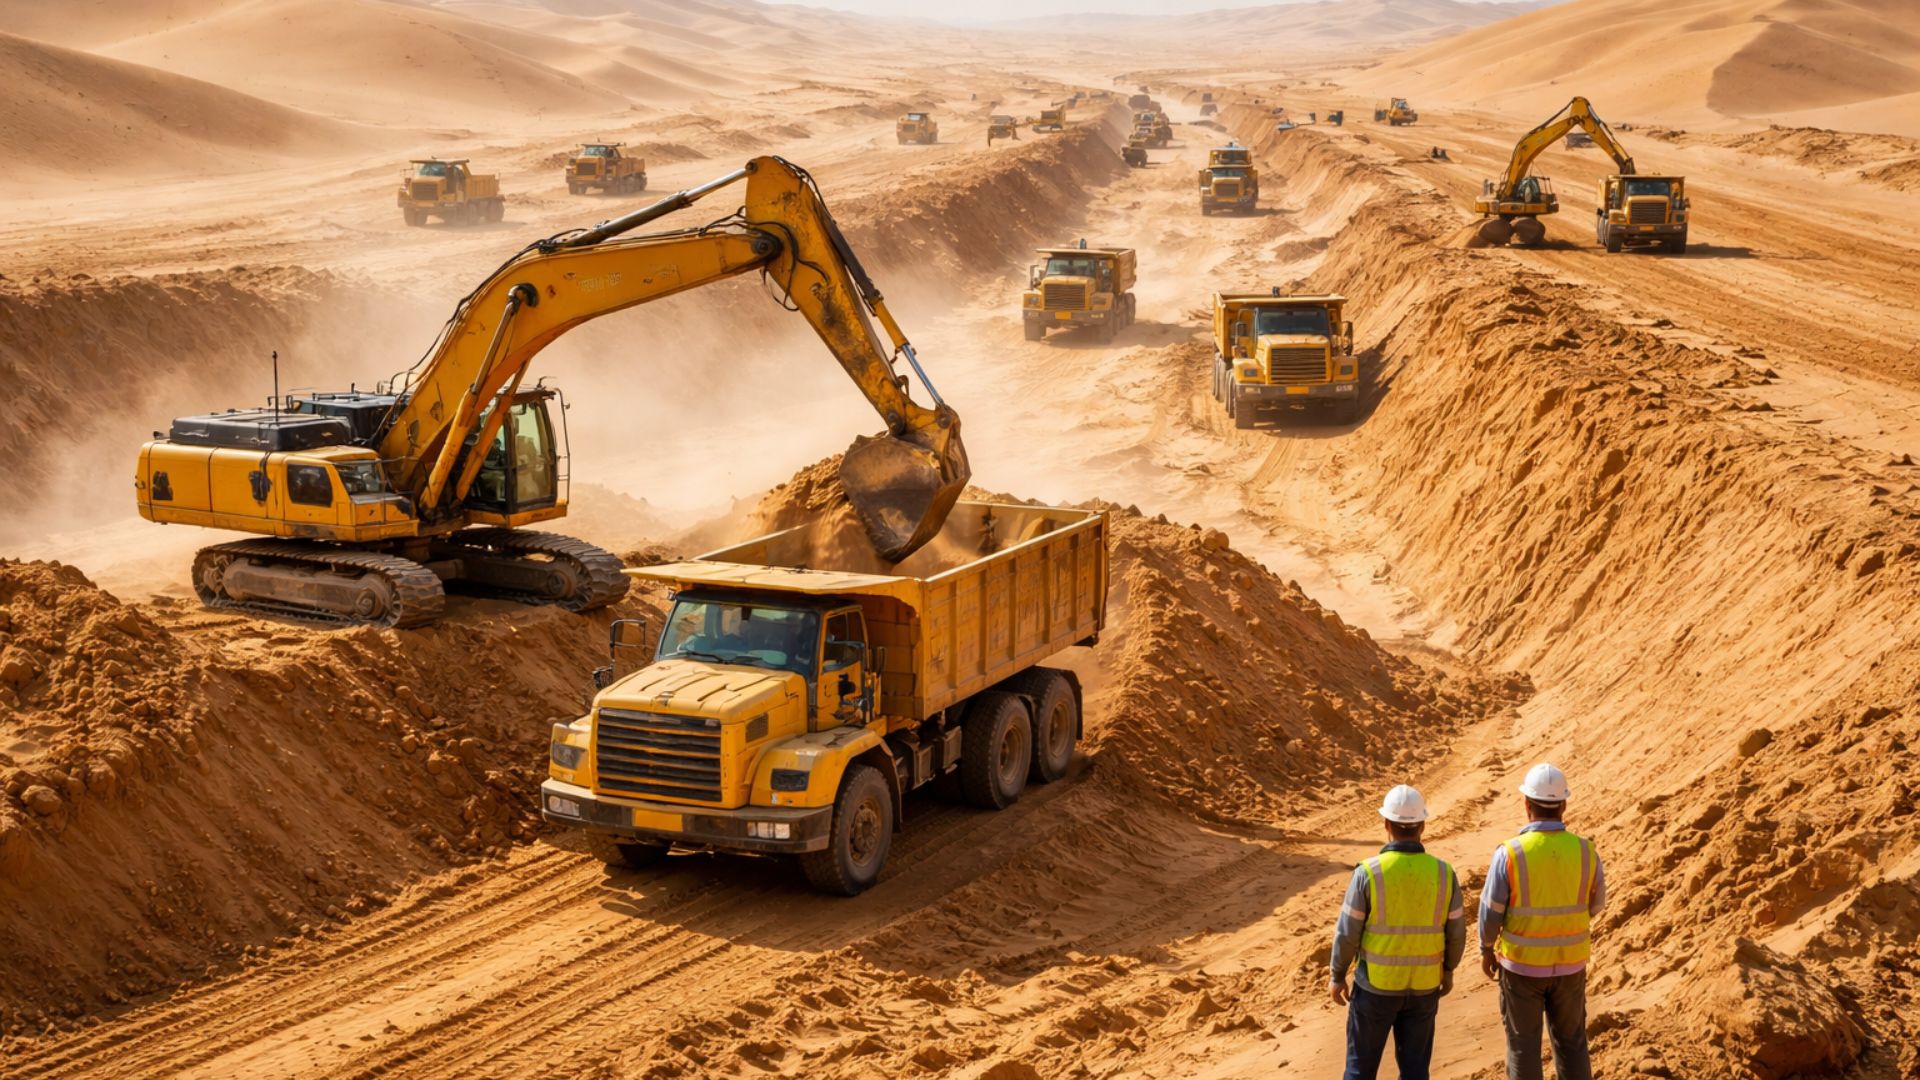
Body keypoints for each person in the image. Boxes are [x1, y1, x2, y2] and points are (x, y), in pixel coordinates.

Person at [1480, 764, 1607, 1080]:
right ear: (1563, 805)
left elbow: (1491, 911)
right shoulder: (1586, 851)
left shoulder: (1510, 853)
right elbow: (1596, 905)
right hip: (1570, 965)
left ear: (1527, 805)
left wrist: (1486, 948)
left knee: (1522, 1047)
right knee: (1572, 1043)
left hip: (1521, 967)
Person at [1331, 785, 1466, 1080]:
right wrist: (1448, 970)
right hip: (1424, 987)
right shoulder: (1444, 873)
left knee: (1359, 1071)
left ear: (1386, 824)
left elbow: (1347, 933)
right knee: (1415, 1072)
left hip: (1375, 988)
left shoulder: (1368, 873)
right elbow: (1456, 933)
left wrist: (1337, 975)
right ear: (1422, 826)